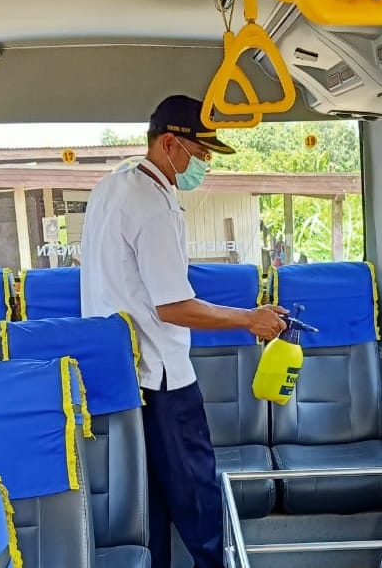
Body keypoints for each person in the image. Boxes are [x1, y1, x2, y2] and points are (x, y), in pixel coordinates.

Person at [80, 94, 287, 568]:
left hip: (120, 380)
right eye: (201, 154)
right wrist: (249, 318)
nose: (205, 165)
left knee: (146, 504)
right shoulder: (154, 206)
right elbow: (173, 306)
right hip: (163, 380)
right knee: (197, 496)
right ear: (169, 142)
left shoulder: (111, 187)